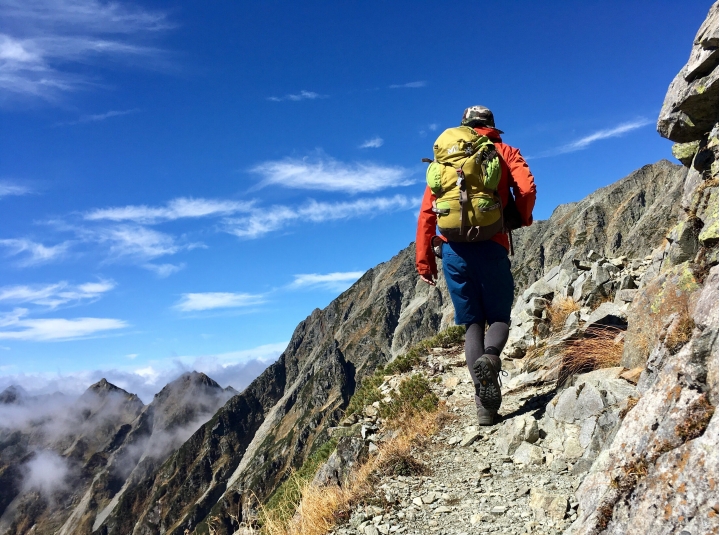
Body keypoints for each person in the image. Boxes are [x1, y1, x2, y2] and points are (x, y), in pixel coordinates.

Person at [416, 105, 537, 425]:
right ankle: (491, 358)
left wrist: (424, 261)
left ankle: (485, 409)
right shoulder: (503, 151)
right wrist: (519, 219)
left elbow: (428, 213)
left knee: (472, 325)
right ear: (492, 126)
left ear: (464, 128)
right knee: (498, 318)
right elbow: (526, 189)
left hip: (454, 252)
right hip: (492, 244)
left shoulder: (446, 162)